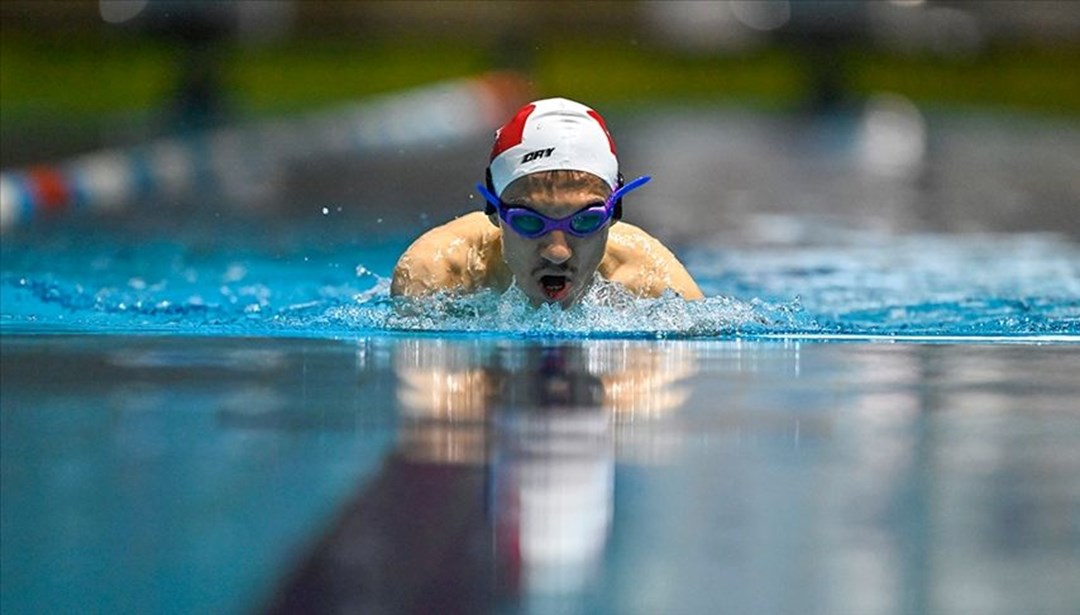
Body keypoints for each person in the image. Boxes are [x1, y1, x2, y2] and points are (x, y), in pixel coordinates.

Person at [391, 97, 703, 307]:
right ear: (494, 210)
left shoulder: (654, 284)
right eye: (529, 220)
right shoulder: (437, 274)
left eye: (585, 220)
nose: (557, 253)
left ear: (614, 212)